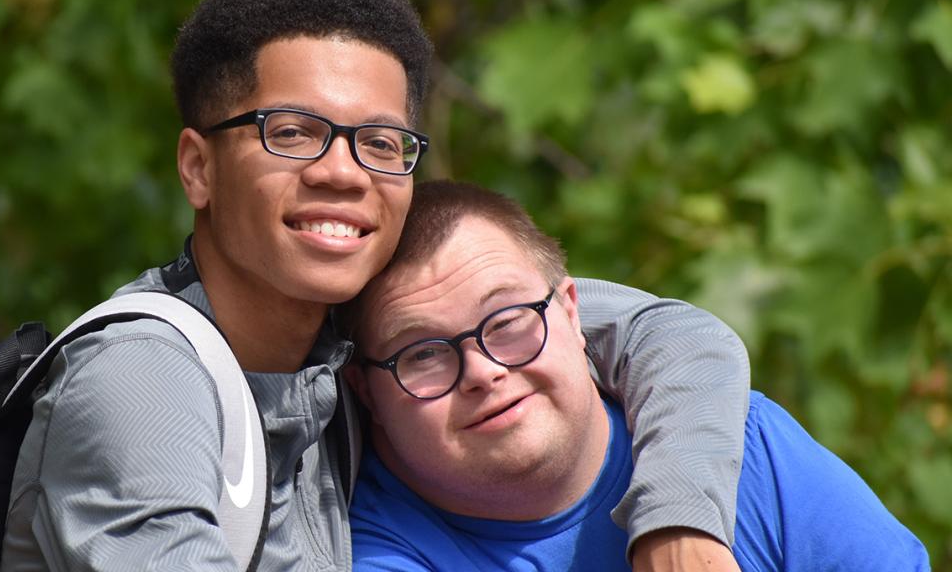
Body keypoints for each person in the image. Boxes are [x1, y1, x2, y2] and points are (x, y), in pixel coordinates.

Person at [0, 0, 754, 569]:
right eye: (291, 133)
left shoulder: (368, 332)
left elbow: (669, 333)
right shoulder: (140, 381)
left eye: (382, 143)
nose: (343, 172)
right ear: (199, 168)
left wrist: (678, 522)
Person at [345, 180, 929, 571]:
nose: (484, 371)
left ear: (574, 312)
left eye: (509, 320)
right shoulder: (374, 552)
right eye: (421, 354)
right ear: (365, 390)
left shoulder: (741, 449)